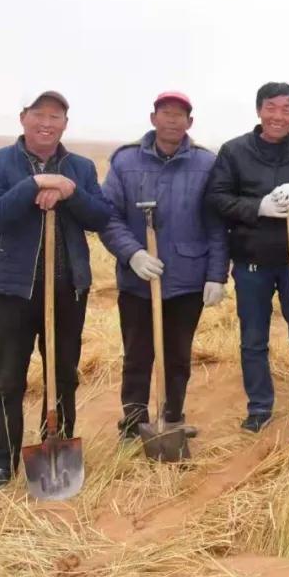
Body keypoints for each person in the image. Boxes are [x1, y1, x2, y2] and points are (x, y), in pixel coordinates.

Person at [0, 91, 113, 490]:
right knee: (7, 379)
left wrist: (70, 191)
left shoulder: (80, 167)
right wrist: (35, 183)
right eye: (39, 114)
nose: (46, 123)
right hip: (10, 290)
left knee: (63, 375)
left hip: (67, 289)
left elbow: (100, 216)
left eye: (55, 116)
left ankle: (57, 445)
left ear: (65, 124)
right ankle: (1, 462)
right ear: (23, 118)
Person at [205, 82, 289, 432]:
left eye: (286, 109)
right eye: (271, 108)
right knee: (253, 339)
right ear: (259, 110)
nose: (278, 116)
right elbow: (216, 198)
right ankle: (260, 408)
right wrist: (256, 207)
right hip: (251, 262)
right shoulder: (234, 151)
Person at [100, 91, 229, 441]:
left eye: (179, 114)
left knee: (178, 356)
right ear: (153, 118)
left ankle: (172, 420)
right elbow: (107, 216)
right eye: (165, 112)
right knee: (137, 355)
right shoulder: (125, 161)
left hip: (188, 279)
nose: (172, 119)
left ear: (190, 122)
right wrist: (132, 253)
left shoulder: (207, 164)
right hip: (137, 280)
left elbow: (217, 223)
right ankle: (134, 424)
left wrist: (217, 274)